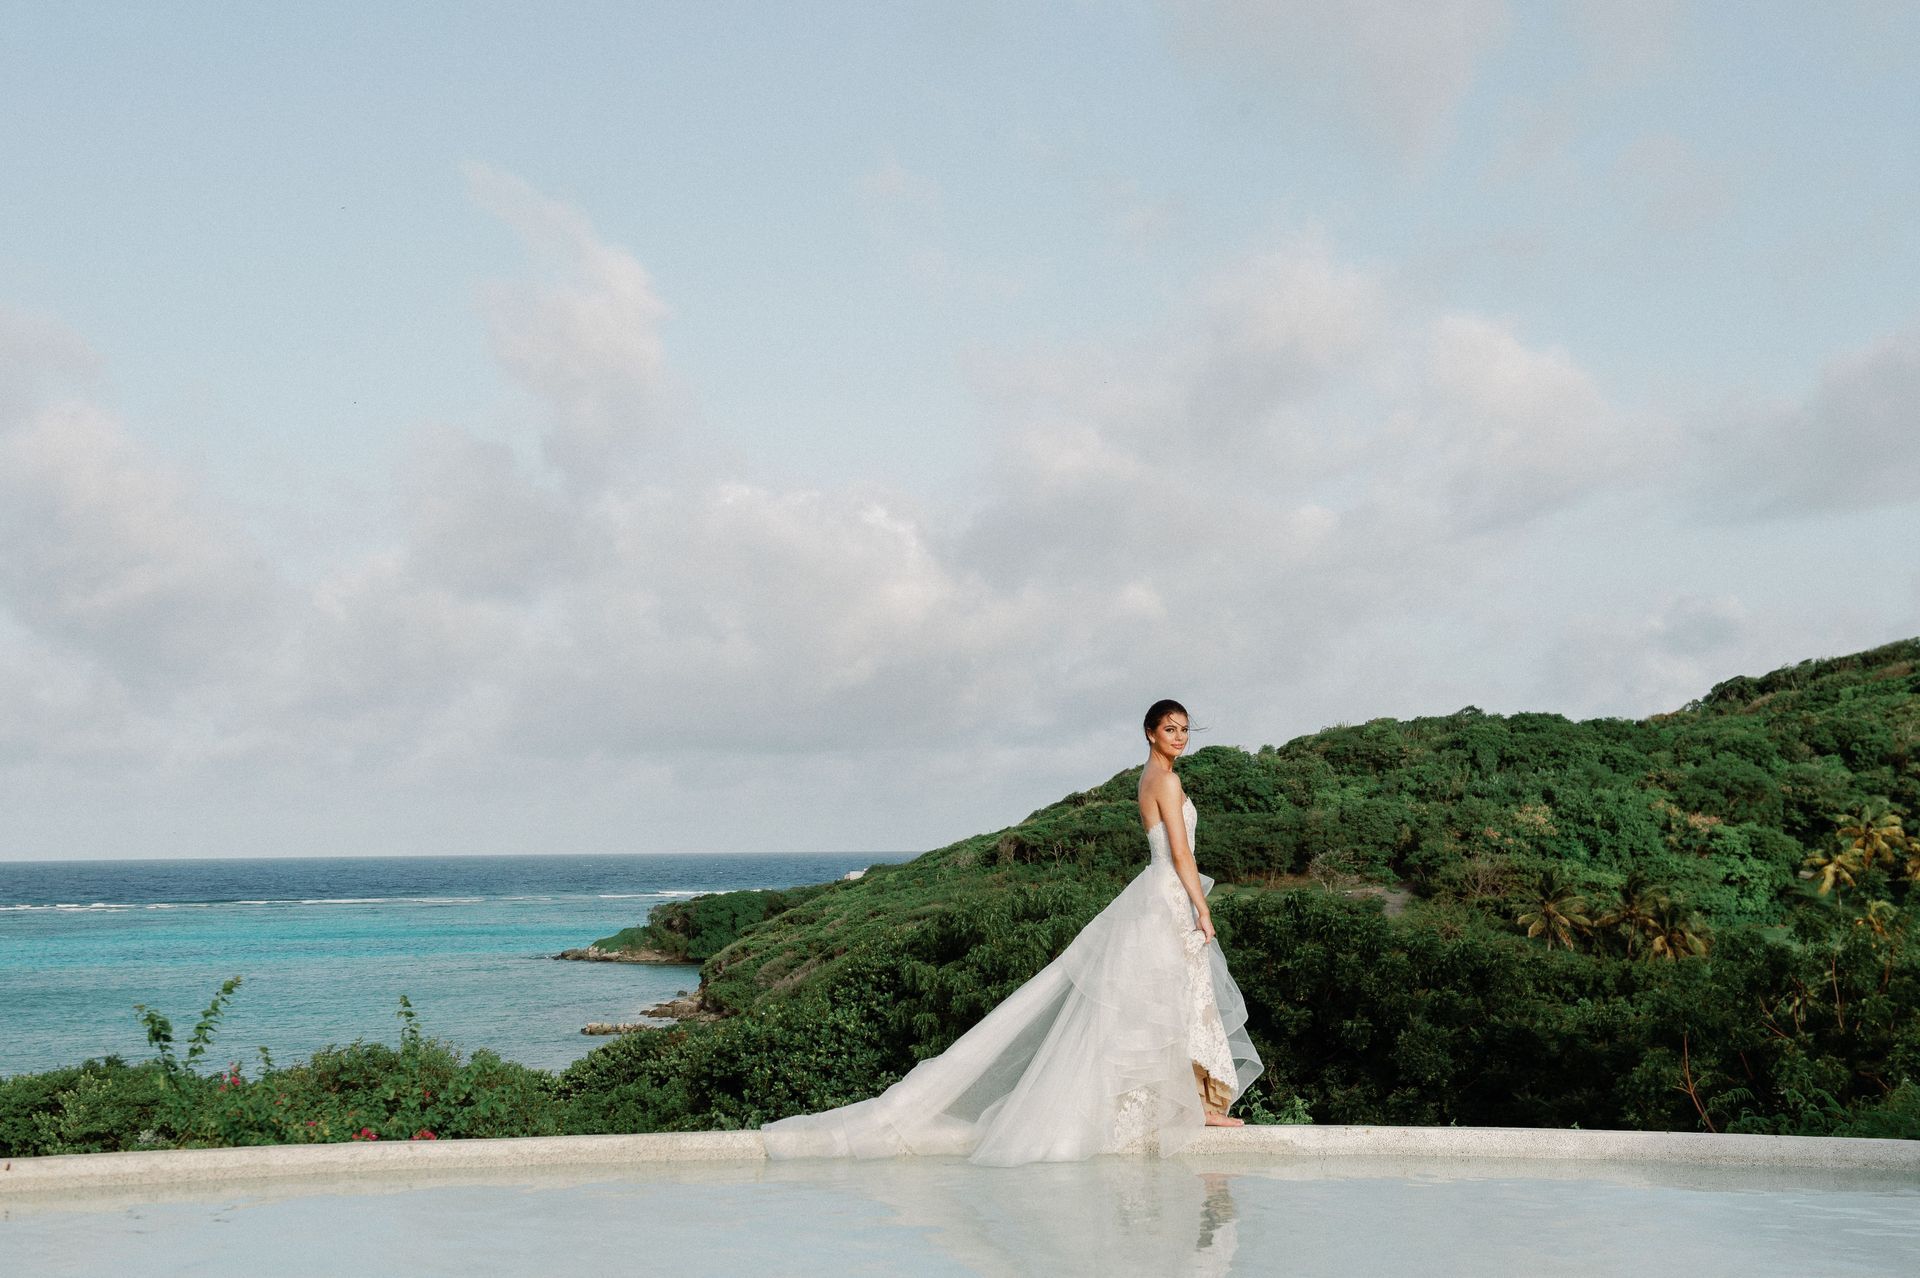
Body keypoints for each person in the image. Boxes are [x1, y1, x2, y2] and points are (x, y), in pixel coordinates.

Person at [760, 700, 1262, 1166]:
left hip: (1155, 894)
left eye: (1184, 731)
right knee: (1177, 999)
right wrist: (1203, 908)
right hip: (1168, 895)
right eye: (1170, 730)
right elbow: (1180, 855)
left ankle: (1189, 1105)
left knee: (1163, 1001)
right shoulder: (1167, 782)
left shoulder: (1149, 776)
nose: (1179, 738)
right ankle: (1196, 1105)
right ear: (1149, 733)